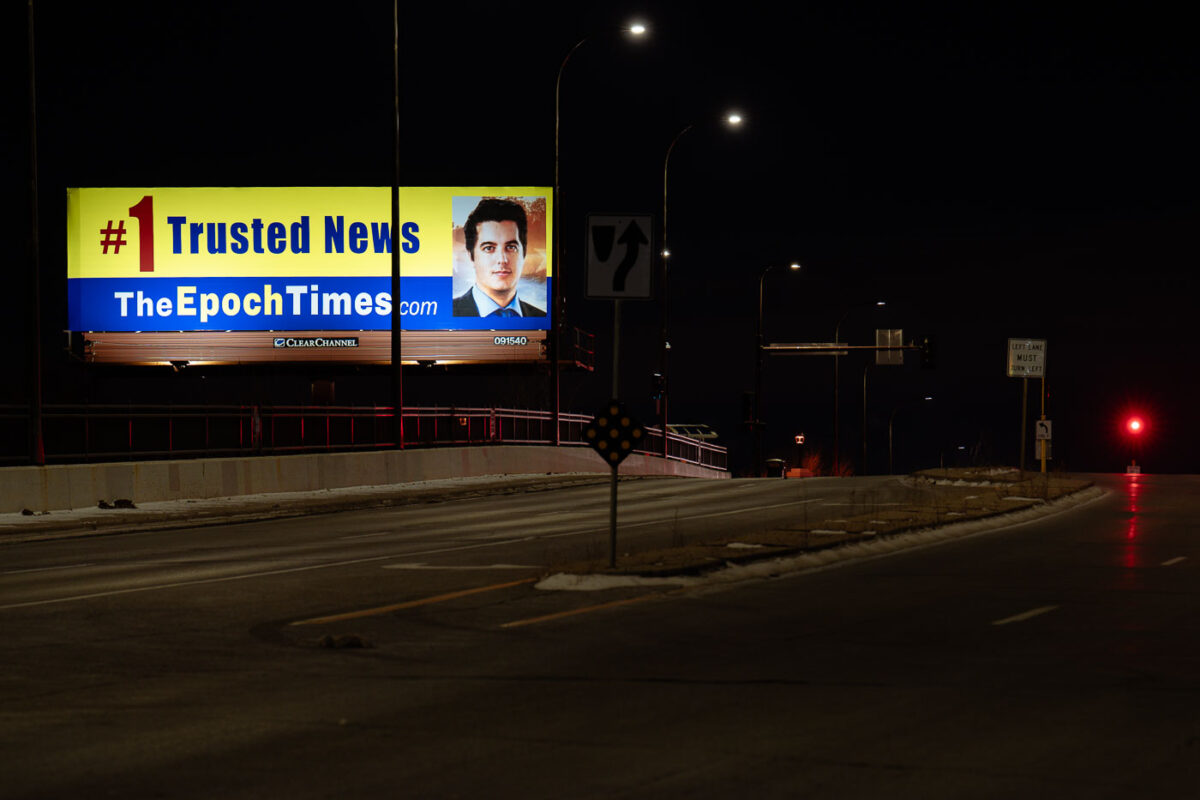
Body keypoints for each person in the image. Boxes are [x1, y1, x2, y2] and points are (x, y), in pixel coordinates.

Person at [453, 198, 546, 317]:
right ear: (471, 256)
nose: (502, 260)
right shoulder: (450, 313)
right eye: (489, 248)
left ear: (524, 253)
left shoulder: (541, 317)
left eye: (511, 247)